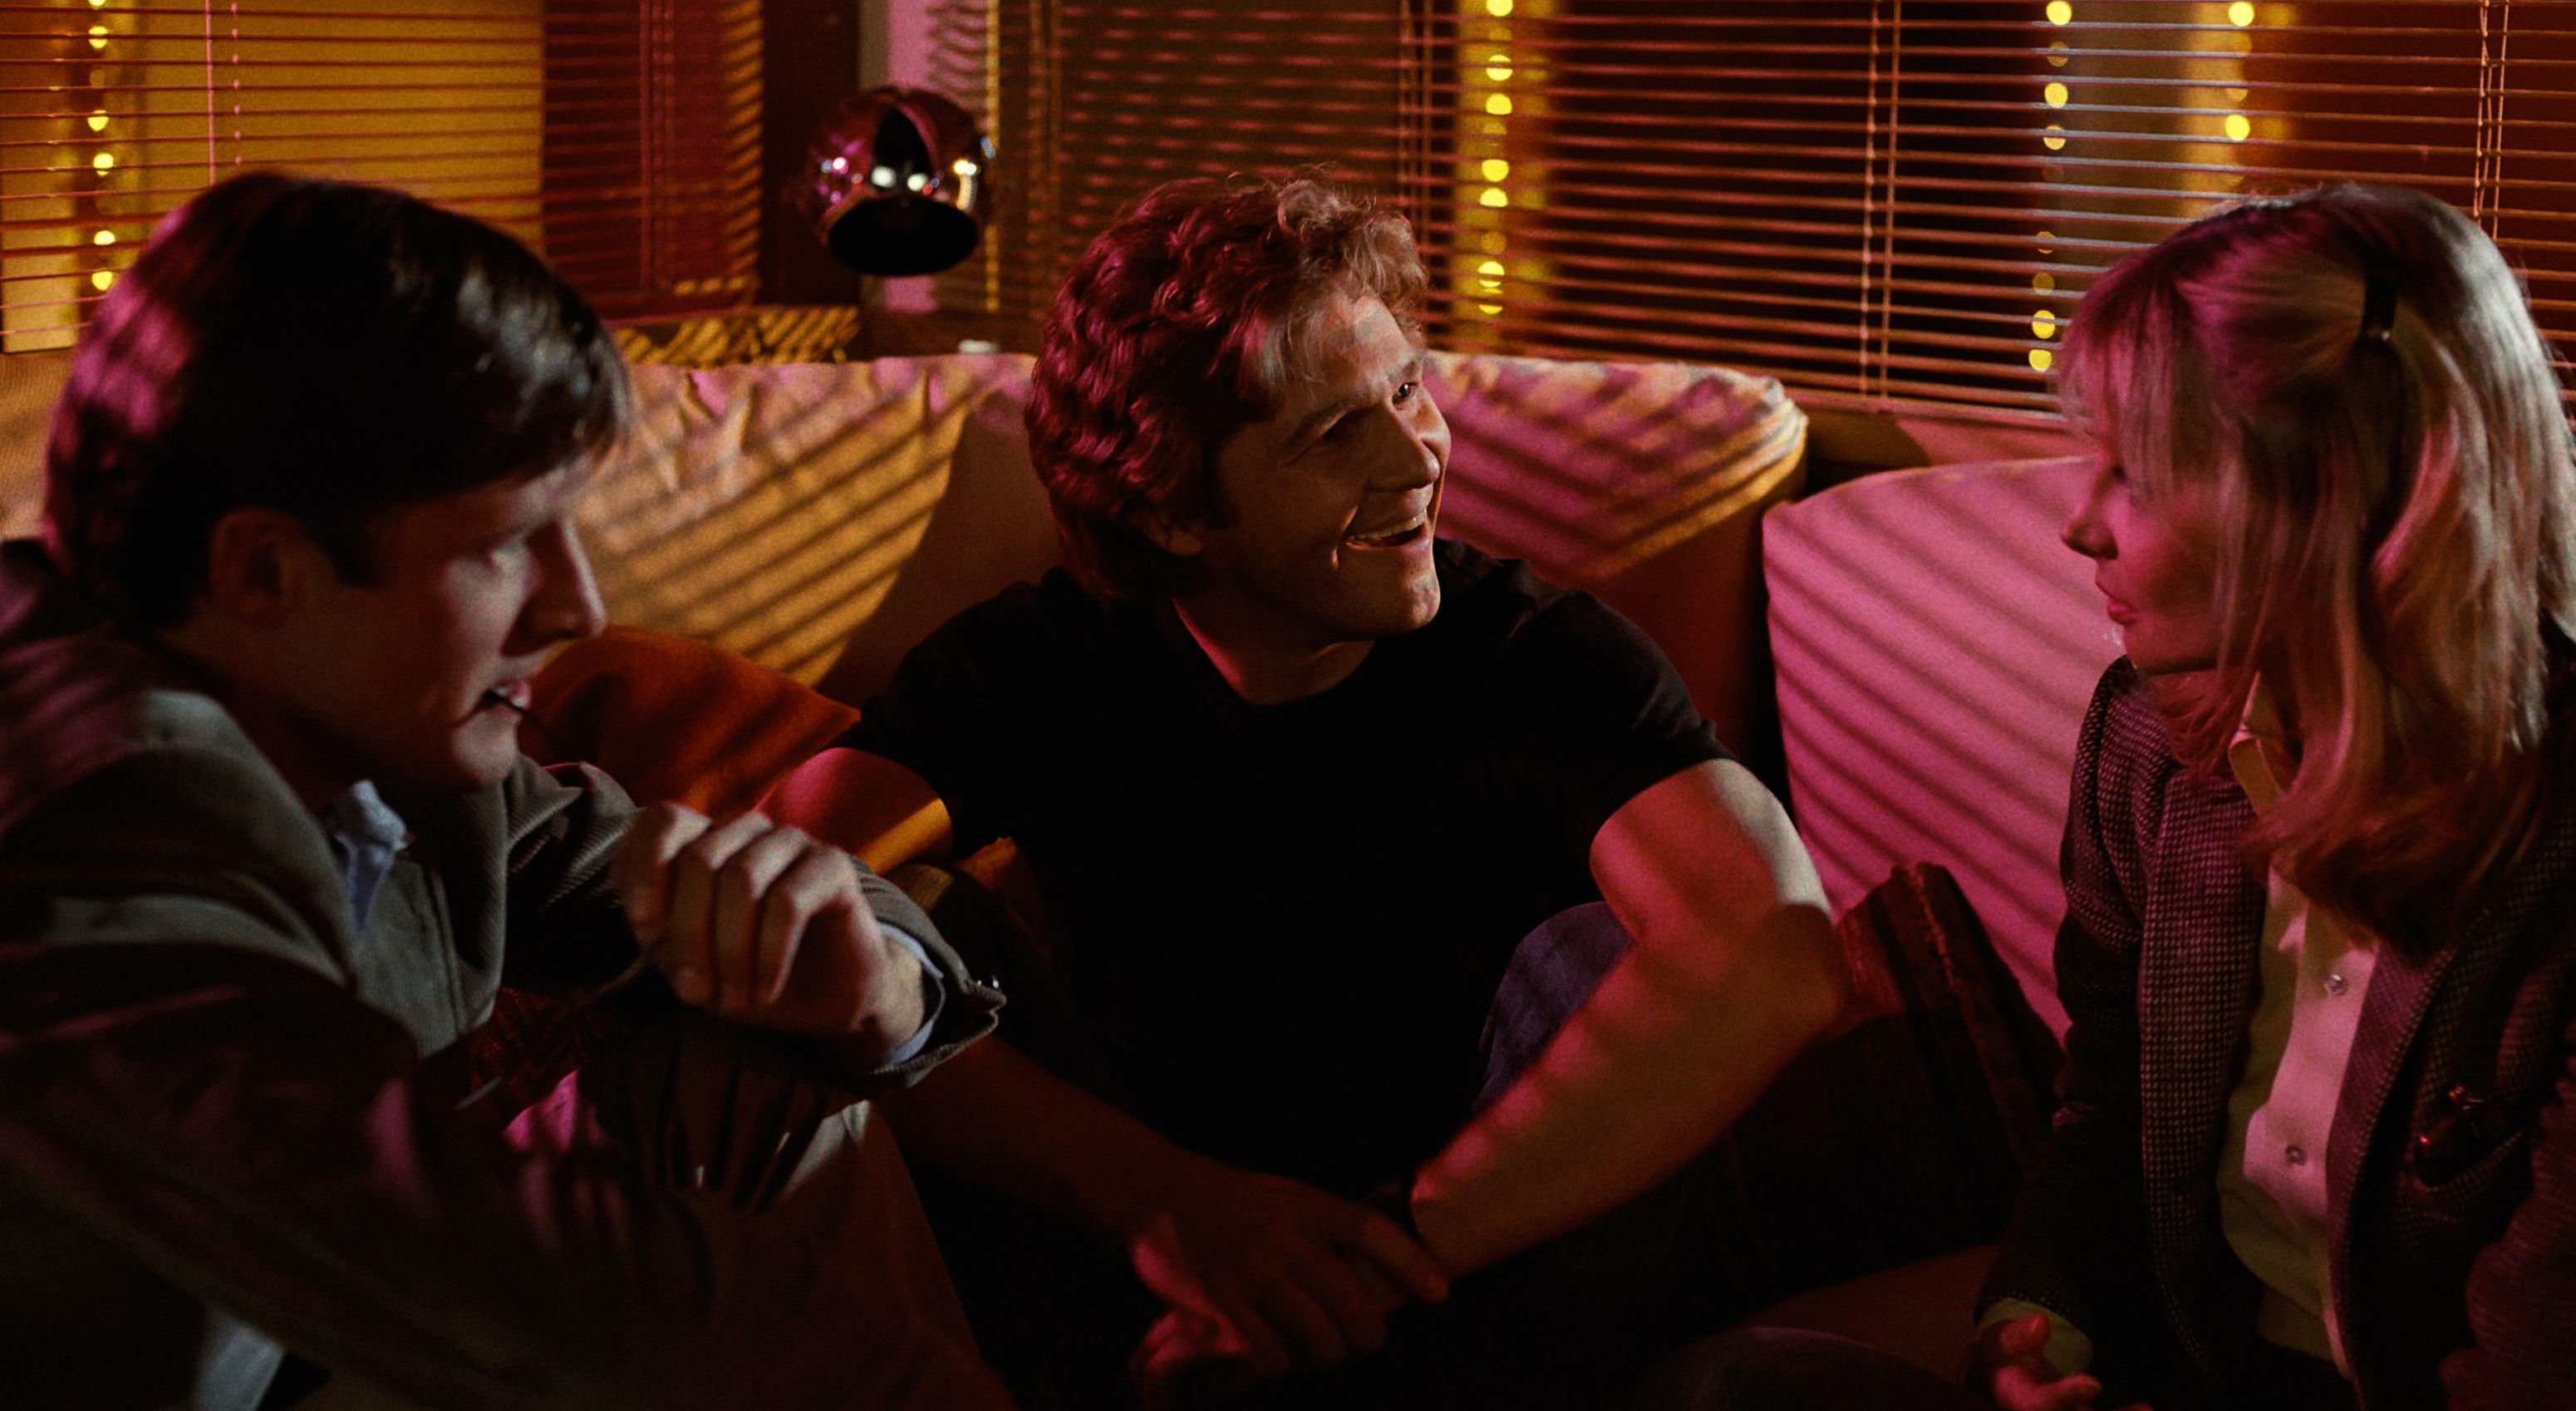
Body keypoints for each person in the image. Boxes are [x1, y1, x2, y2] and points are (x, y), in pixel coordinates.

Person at [760, 175, 1847, 1406]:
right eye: (1335, 435)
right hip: (1142, 1252)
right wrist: (1169, 1206)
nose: (1417, 458)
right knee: (889, 920)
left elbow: (1779, 954)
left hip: (1485, 1266)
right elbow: (777, 897)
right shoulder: (1041, 662)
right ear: (1175, 510)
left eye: (1408, 389)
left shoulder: (1535, 655)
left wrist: (1380, 1260)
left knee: (1614, 945)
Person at [0, 173, 1011, 1411]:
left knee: (753, 1088)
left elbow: (667, 873)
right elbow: (421, 1234)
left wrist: (866, 986)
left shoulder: (392, 739)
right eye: (503, 544)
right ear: (264, 569)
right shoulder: (89, 802)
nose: (579, 608)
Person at [1697, 183, 2576, 1411]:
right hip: (2192, 1366)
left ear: (2329, 501)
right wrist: (2040, 1319)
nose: (2079, 526)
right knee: (1743, 1387)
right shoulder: (2151, 738)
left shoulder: (2551, 852)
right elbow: (2114, 1095)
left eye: (2141, 478)